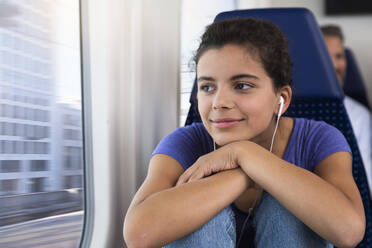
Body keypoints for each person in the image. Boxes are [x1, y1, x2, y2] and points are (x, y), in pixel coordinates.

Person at [124, 18, 365, 248]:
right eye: (207, 87)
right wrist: (247, 174)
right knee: (194, 210)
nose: (219, 102)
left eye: (242, 86)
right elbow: (139, 234)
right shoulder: (184, 143)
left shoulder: (318, 139)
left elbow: (349, 231)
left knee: (287, 209)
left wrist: (244, 153)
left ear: (281, 99)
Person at [321, 25, 372, 195]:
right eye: (327, 56)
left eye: (339, 56)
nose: (335, 64)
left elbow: (366, 177)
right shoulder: (290, 109)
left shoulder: (360, 115)